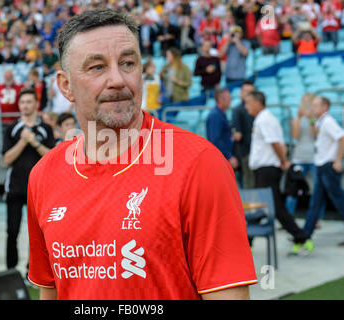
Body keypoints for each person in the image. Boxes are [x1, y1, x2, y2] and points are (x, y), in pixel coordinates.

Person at [27, 9, 257, 300]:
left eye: (128, 63)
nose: (118, 80)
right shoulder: (44, 175)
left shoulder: (199, 164)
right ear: (65, 86)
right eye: (97, 67)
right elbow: (51, 293)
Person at [245, 90, 314, 255]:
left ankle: (302, 238)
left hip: (267, 170)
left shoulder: (265, 120)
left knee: (271, 207)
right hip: (265, 169)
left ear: (257, 102)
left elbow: (276, 143)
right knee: (268, 206)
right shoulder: (264, 119)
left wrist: (283, 161)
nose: (246, 106)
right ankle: (247, 242)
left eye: (248, 102)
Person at [3, 88, 55, 272]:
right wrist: (23, 141)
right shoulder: (12, 129)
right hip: (15, 188)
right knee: (12, 231)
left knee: (38, 235)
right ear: (19, 105)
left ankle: (32, 271)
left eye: (29, 102)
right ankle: (10, 270)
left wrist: (35, 142)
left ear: (35, 104)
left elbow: (52, 157)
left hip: (38, 190)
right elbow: (6, 159)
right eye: (22, 102)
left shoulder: (45, 128)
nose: (25, 105)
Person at [303, 96, 344, 244]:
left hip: (328, 166)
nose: (312, 108)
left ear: (324, 107)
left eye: (315, 106)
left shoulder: (328, 122)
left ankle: (305, 234)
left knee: (339, 201)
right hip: (322, 166)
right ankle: (305, 235)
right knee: (316, 202)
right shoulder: (321, 122)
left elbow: (342, 137)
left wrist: (338, 160)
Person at [285, 93, 321, 216]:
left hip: (313, 157)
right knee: (294, 188)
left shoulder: (316, 120)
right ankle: (288, 216)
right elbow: (295, 136)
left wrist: (310, 119)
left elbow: (315, 136)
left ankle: (316, 217)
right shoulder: (296, 119)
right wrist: (300, 119)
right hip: (299, 156)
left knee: (317, 189)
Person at [231, 80, 255, 189]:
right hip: (244, 154)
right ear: (241, 93)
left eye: (251, 92)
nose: (248, 95)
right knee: (247, 186)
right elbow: (237, 135)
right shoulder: (237, 110)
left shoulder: (255, 111)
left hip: (255, 153)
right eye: (246, 92)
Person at [206, 88, 238, 170]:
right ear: (220, 100)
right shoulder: (215, 116)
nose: (231, 100)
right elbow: (215, 140)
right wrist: (229, 156)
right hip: (221, 159)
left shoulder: (220, 114)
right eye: (229, 98)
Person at [0, 69, 25, 133]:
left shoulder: (19, 86)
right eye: (6, 77)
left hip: (17, 118)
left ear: (12, 77)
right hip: (4, 119)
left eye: (9, 77)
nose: (7, 78)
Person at [194, 39, 221, 104]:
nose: (207, 48)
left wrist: (218, 82)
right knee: (203, 102)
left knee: (214, 103)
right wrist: (206, 70)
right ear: (202, 47)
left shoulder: (215, 59)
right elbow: (196, 73)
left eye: (209, 46)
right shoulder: (199, 60)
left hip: (214, 86)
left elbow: (219, 72)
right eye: (205, 46)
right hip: (204, 86)